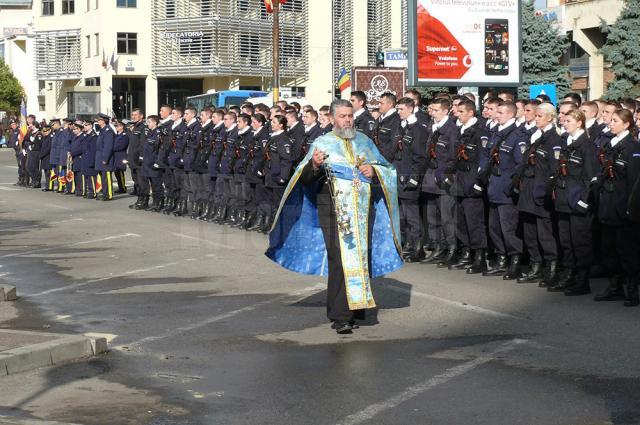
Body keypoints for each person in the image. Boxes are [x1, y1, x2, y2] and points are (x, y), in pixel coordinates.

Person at [266, 99, 403, 334]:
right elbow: (304, 178)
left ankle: (358, 307)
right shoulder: (323, 142)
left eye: (350, 116)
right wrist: (315, 166)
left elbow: (387, 168)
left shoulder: (365, 142)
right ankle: (340, 316)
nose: (348, 120)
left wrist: (375, 171)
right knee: (339, 260)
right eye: (343, 116)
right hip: (333, 211)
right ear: (332, 118)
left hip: (362, 211)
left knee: (361, 256)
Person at [547, 109, 597, 296]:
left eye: (568, 120)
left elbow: (591, 177)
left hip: (577, 201)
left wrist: (584, 201)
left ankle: (582, 280)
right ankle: (569, 274)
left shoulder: (587, 145)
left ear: (579, 122)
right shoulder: (565, 142)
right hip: (563, 199)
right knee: (566, 241)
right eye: (564, 120)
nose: (564, 123)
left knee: (580, 242)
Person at [595, 109, 640, 306]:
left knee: (626, 250)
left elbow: (635, 182)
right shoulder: (611, 145)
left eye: (615, 120)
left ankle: (631, 289)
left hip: (623, 206)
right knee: (609, 248)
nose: (610, 123)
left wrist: (632, 208)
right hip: (608, 204)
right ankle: (615, 286)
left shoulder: (632, 147)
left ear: (627, 124)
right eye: (610, 120)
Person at [515, 103, 562, 286]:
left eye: (540, 116)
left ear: (550, 117)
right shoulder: (536, 136)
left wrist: (545, 190)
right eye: (537, 115)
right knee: (529, 231)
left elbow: (553, 169)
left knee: (545, 233)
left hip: (540, 191)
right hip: (528, 189)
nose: (536, 118)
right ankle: (535, 265)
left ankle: (551, 268)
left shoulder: (553, 139)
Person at [483, 101, 527, 279]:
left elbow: (520, 165)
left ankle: (514, 262)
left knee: (508, 228)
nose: (497, 115)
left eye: (500, 112)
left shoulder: (517, 136)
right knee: (494, 227)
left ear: (510, 114)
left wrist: (511, 185)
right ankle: (501, 259)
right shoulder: (496, 133)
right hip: (494, 185)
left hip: (506, 188)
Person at [448, 99, 491, 274]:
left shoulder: (480, 133)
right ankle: (467, 253)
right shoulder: (460, 131)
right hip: (459, 181)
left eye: (460, 112)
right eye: (456, 111)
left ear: (471, 113)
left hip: (472, 182)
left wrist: (479, 184)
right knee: (461, 221)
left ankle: (479, 257)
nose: (456, 114)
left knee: (475, 223)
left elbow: (484, 160)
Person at [393, 97, 428, 262]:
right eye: (398, 109)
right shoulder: (402, 127)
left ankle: (418, 247)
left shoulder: (418, 130)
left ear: (410, 109)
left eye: (401, 109)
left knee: (412, 216)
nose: (398, 112)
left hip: (410, 178)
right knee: (402, 215)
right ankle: (407, 244)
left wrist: (414, 178)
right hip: (399, 175)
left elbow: (419, 157)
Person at [94, 113, 116, 201]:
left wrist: (105, 158)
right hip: (100, 157)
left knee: (106, 177)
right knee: (103, 178)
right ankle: (104, 193)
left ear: (104, 121)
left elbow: (108, 147)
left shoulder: (108, 131)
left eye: (99, 120)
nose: (98, 121)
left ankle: (108, 194)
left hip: (105, 158)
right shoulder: (102, 130)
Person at [375, 93, 401, 162]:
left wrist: (386, 160)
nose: (379, 105)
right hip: (377, 157)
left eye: (381, 103)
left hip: (387, 161)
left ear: (390, 104)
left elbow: (394, 143)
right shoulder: (380, 118)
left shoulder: (396, 119)